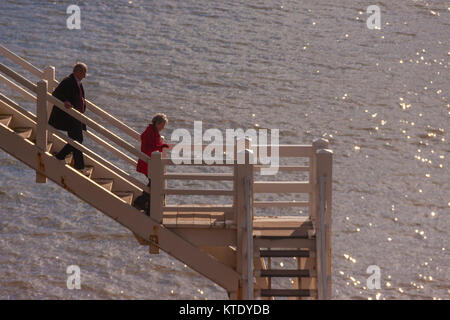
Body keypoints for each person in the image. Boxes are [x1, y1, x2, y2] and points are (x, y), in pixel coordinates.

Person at [48, 63, 88, 171]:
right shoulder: (68, 81)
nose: (85, 75)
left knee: (76, 140)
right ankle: (77, 166)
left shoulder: (78, 83)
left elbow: (80, 98)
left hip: (76, 117)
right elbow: (56, 94)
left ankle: (63, 157)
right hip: (69, 117)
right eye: (84, 73)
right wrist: (65, 101)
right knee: (77, 140)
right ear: (77, 72)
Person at [133, 113, 169, 215]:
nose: (163, 128)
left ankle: (143, 204)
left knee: (153, 184)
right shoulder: (150, 132)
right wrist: (161, 147)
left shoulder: (152, 131)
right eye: (162, 125)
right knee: (155, 184)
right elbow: (150, 148)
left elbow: (153, 145)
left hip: (149, 162)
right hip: (147, 163)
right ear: (157, 123)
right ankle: (142, 203)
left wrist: (160, 146)